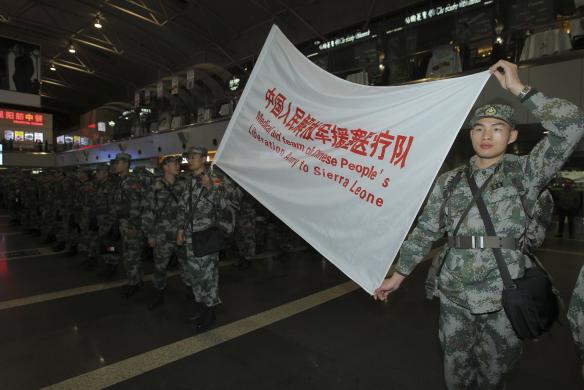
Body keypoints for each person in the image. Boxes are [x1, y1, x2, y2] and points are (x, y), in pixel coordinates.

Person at [374, 60, 584, 390]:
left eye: (497, 128)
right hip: (454, 294)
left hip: (504, 294)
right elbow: (426, 230)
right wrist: (398, 276)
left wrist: (519, 89)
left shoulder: (526, 173)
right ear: (470, 133)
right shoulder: (449, 182)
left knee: (496, 374)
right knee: (455, 371)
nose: (486, 135)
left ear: (513, 135)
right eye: (479, 128)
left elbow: (572, 124)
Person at [177, 146, 226, 331]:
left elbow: (223, 205)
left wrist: (210, 187)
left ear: (204, 158)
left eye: (194, 156)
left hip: (205, 236)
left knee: (209, 277)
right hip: (190, 237)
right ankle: (200, 307)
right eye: (189, 157)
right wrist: (180, 230)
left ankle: (211, 313)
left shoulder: (212, 178)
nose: (190, 160)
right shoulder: (189, 181)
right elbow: (183, 209)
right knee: (195, 276)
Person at [142, 155, 186, 309]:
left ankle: (190, 292)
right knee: (160, 267)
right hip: (162, 235)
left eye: (178, 163)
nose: (178, 166)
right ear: (165, 167)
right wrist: (150, 235)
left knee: (186, 265)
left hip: (181, 234)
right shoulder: (155, 186)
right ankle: (158, 293)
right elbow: (148, 212)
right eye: (174, 164)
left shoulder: (183, 185)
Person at [109, 153, 146, 297]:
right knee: (130, 254)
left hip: (130, 224)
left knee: (132, 255)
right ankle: (135, 280)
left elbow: (136, 205)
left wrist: (133, 226)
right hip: (124, 223)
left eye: (117, 163)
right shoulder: (121, 181)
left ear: (125, 164)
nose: (115, 165)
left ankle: (134, 283)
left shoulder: (131, 181)